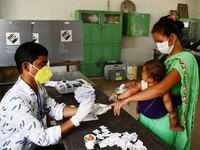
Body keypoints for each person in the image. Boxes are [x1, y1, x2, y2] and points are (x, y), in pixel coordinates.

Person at [112, 15, 199, 150]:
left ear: (172, 38)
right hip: (148, 110)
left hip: (164, 118)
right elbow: (152, 80)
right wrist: (136, 85)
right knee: (142, 142)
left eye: (159, 41)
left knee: (157, 145)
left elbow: (160, 89)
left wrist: (128, 99)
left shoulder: (185, 59)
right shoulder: (163, 57)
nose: (158, 45)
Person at [0, 42, 94, 150]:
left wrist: (86, 109)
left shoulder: (39, 88)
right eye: (42, 65)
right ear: (26, 66)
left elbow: (54, 109)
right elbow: (42, 137)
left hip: (33, 144)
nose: (47, 69)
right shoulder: (15, 101)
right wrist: (76, 119)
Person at [115, 59, 184, 131]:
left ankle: (139, 109)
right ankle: (173, 126)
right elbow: (167, 101)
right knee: (174, 114)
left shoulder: (143, 84)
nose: (141, 74)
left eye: (143, 73)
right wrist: (172, 112)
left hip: (145, 111)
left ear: (150, 79)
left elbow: (130, 91)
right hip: (155, 114)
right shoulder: (163, 88)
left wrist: (119, 96)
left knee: (140, 95)